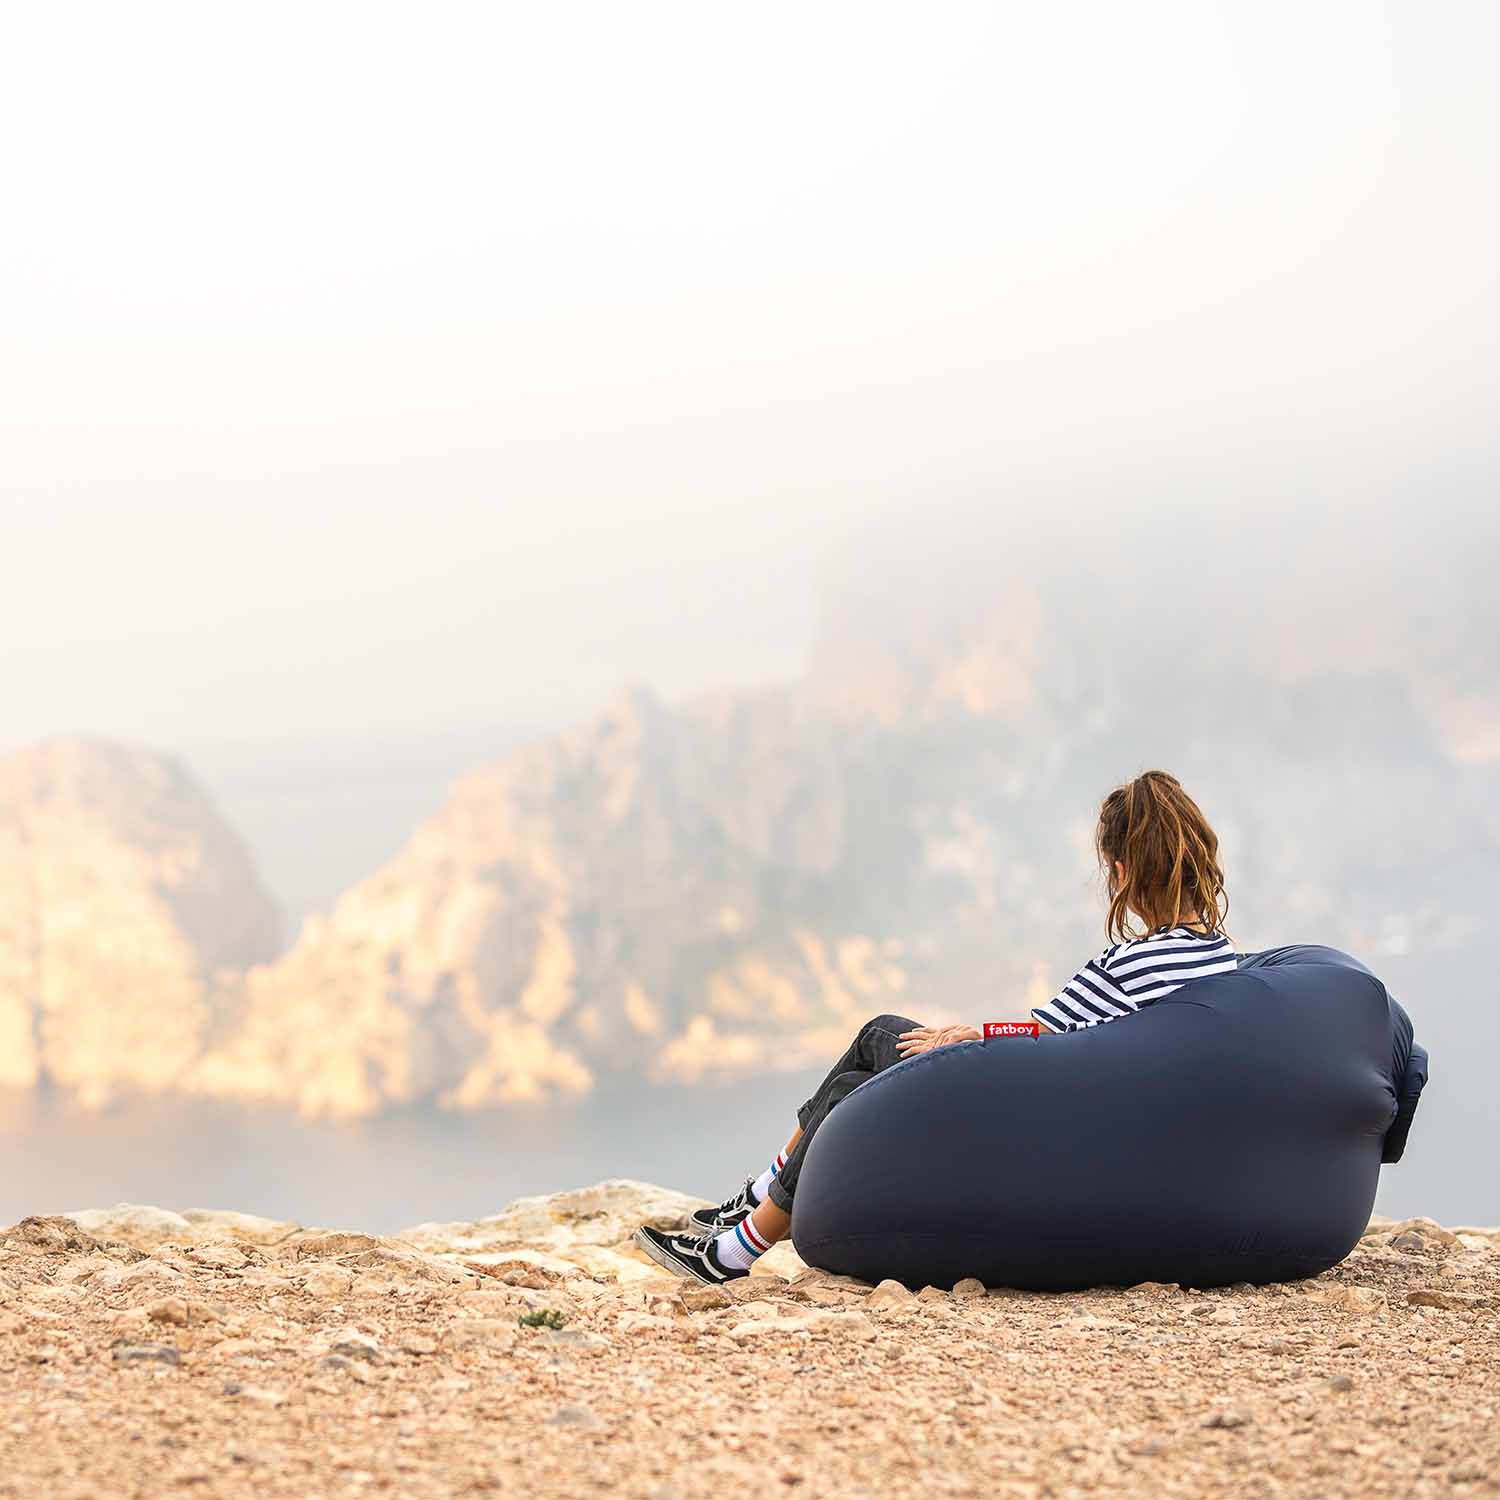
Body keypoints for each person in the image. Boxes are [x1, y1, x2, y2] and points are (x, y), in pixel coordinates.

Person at [633, 769, 1238, 1286]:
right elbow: (1077, 1039)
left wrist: (974, 1036)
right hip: (1093, 1122)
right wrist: (974, 1034)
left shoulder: (1130, 961)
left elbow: (1045, 1036)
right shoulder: (1219, 956)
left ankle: (732, 1250)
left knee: (860, 1074)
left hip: (1032, 1122)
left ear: (1124, 869)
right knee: (881, 1036)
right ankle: (753, 1208)